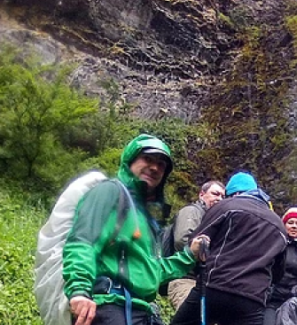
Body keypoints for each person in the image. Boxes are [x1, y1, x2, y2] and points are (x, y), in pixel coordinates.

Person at [63, 134, 207, 325]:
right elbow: (83, 241)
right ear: (130, 160)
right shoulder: (110, 192)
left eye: (161, 165)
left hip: (140, 312)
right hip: (111, 308)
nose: (155, 167)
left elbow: (150, 270)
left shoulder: (144, 216)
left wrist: (189, 255)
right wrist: (79, 290)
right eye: (147, 159)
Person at [171, 172, 287, 325]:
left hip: (216, 287)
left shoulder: (226, 207)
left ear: (236, 193)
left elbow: (196, 242)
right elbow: (278, 273)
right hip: (253, 299)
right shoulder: (279, 225)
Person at [167, 180, 226, 310]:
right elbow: (182, 240)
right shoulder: (192, 212)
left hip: (204, 283)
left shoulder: (213, 218)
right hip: (184, 279)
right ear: (201, 194)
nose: (219, 199)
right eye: (215, 194)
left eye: (223, 196)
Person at [264, 207, 297, 325]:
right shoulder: (274, 246)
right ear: (284, 225)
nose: (294, 226)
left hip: (294, 300)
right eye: (290, 222)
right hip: (272, 299)